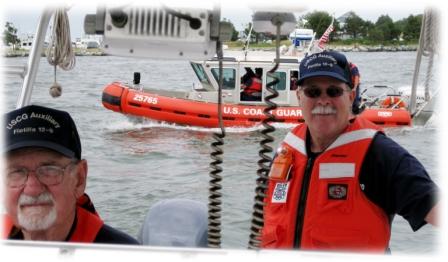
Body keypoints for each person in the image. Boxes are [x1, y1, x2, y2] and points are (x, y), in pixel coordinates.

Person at [261, 50, 439, 253]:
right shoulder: (287, 150)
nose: (323, 100)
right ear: (299, 96)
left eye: (334, 91)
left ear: (351, 96)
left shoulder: (378, 154)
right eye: (313, 92)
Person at [2, 105, 139, 244]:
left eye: (49, 170)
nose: (32, 189)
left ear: (79, 179)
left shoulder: (125, 254)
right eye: (16, 172)